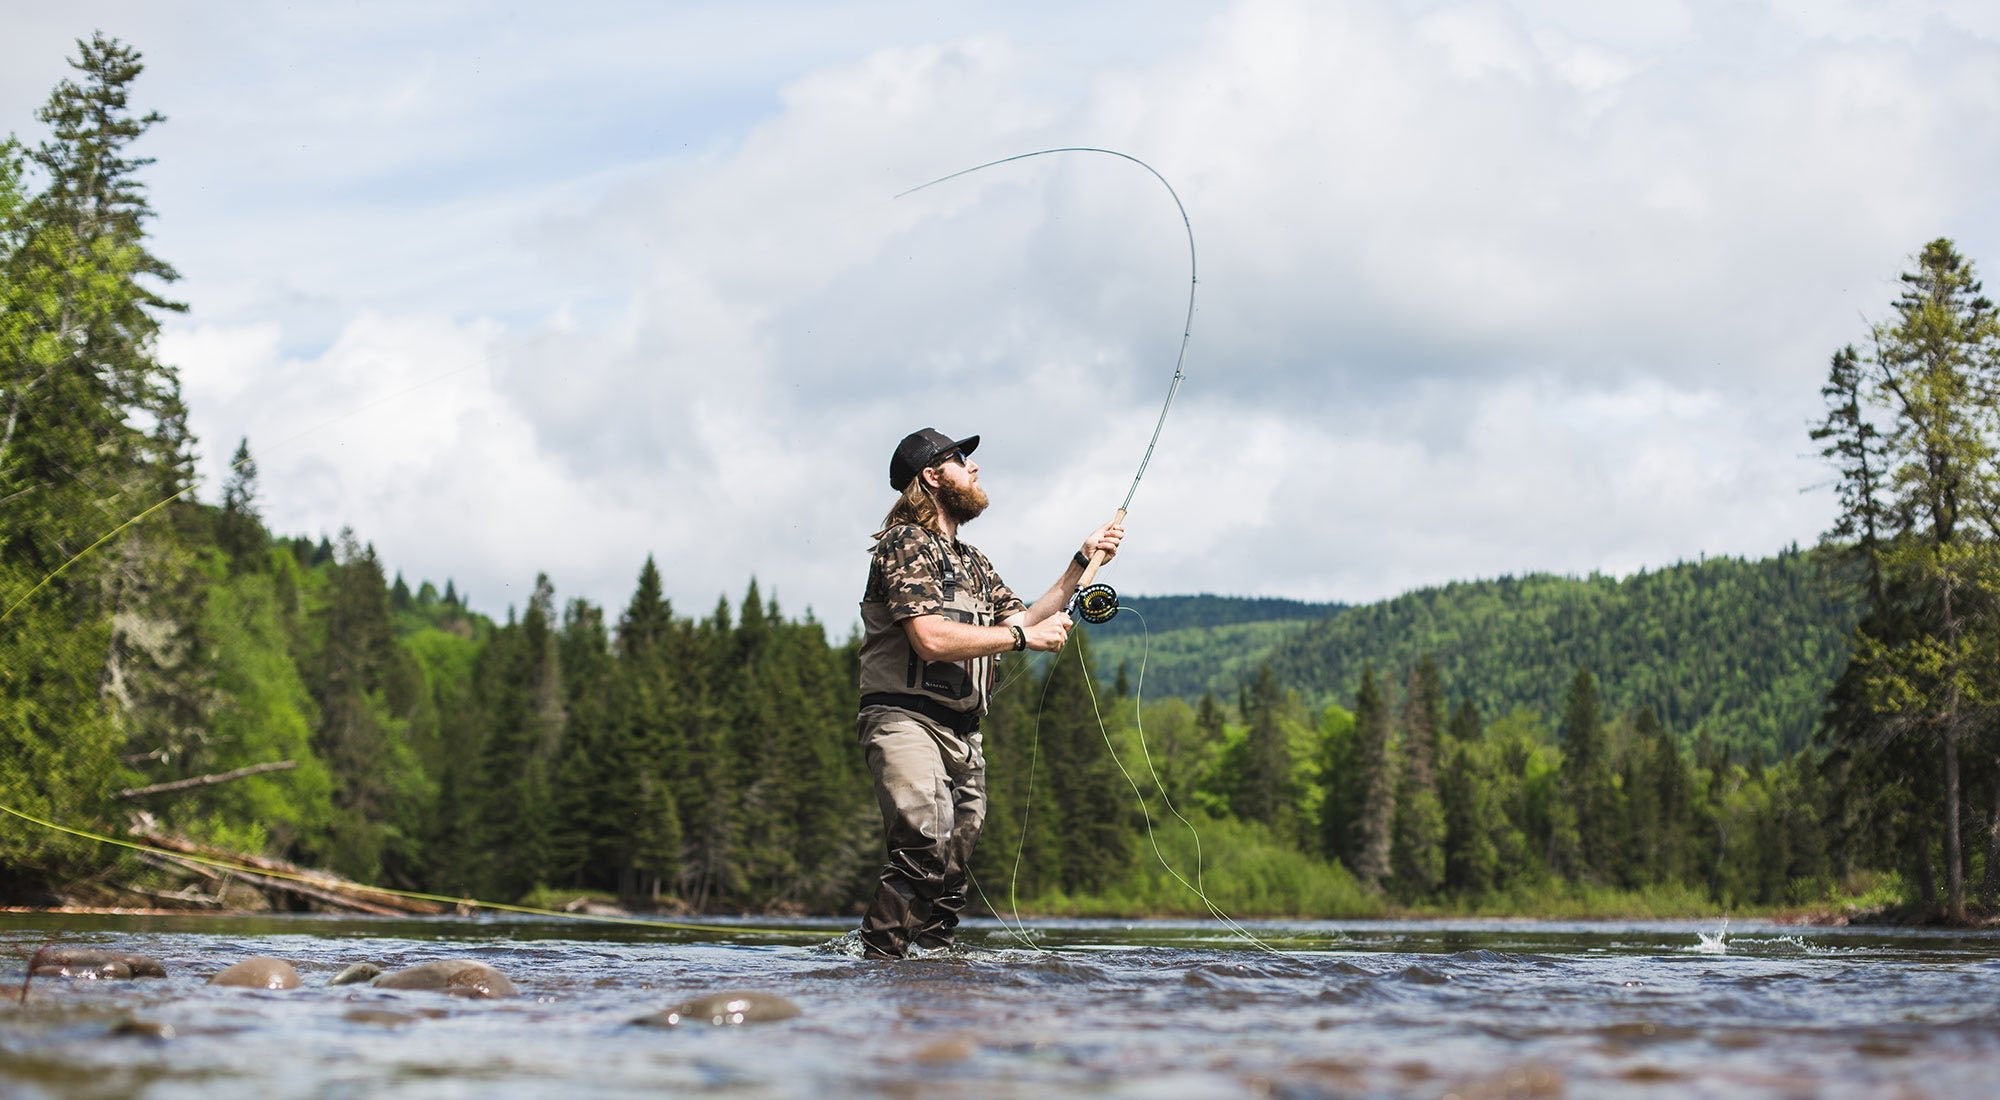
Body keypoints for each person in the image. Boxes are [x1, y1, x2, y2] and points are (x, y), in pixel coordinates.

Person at [855, 427, 1124, 959]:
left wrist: (1081, 560)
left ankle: (932, 967)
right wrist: (1023, 638)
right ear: (932, 477)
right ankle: (875, 964)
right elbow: (930, 638)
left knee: (953, 864)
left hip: (962, 731)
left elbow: (1022, 616)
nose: (974, 468)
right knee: (923, 845)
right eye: (961, 460)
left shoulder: (974, 561)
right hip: (904, 720)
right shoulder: (905, 544)